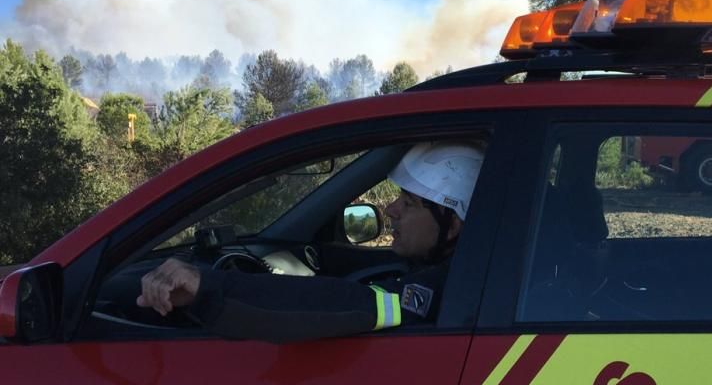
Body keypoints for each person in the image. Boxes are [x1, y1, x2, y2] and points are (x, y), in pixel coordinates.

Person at [136, 141, 486, 341]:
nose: (392, 209)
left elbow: (353, 304)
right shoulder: (468, 266)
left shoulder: (453, 286)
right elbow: (351, 265)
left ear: (452, 225)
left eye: (408, 203)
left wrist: (211, 287)